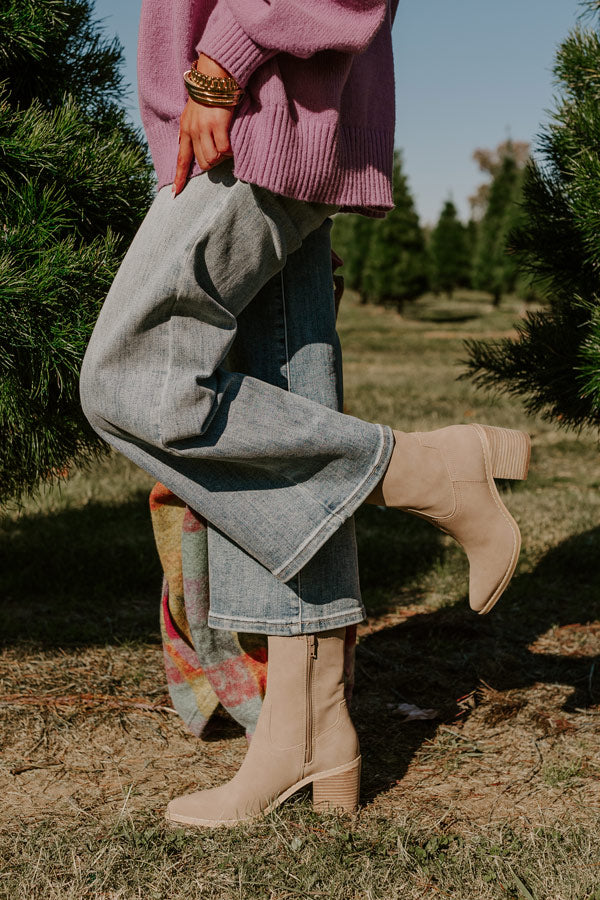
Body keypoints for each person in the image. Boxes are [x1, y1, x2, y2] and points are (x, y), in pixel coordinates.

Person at [79, 0, 531, 827]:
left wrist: (224, 60)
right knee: (281, 410)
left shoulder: (237, 78)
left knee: (127, 377)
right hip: (248, 111)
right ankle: (310, 730)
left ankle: (426, 470)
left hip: (254, 105)